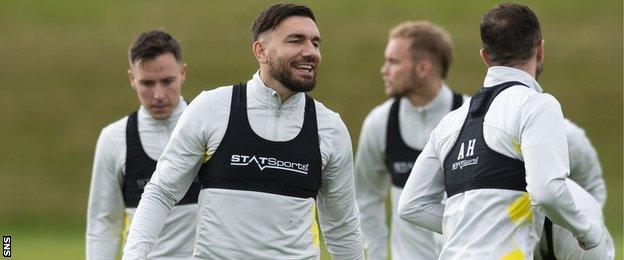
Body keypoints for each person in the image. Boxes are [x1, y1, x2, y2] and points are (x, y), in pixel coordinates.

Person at [122, 4, 364, 260]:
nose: (310, 52)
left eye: (315, 43)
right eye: (296, 41)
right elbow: (161, 192)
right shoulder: (211, 108)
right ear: (261, 51)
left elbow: (342, 226)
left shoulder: (330, 128)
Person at [396, 3, 605, 259]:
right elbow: (547, 192)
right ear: (540, 49)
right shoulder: (537, 105)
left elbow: (411, 205)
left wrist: (471, 228)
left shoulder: (449, 123)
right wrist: (588, 233)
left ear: (485, 57)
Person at [86, 30, 201, 259]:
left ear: (183, 73)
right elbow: (103, 223)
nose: (158, 95)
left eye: (167, 81)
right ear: (131, 79)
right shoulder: (113, 139)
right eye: (147, 83)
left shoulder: (209, 127)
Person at [355, 21, 464, 260]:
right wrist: (376, 255)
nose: (384, 70)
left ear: (422, 68)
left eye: (393, 62)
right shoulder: (380, 122)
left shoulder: (472, 118)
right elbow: (366, 197)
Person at [535, 120, 614, 259]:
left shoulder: (571, 139)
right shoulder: (493, 130)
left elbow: (593, 188)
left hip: (569, 218)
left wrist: (584, 229)